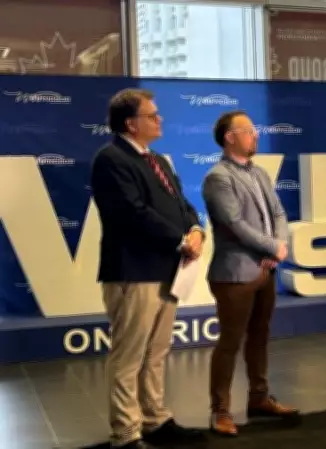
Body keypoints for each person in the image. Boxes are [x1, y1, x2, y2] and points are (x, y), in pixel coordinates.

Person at [90, 88, 206, 449]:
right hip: (133, 270)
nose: (160, 119)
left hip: (167, 269)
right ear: (130, 123)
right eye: (152, 115)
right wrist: (180, 240)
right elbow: (131, 212)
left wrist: (196, 229)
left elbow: (182, 204)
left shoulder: (158, 160)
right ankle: (126, 434)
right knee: (129, 356)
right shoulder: (111, 159)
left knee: (156, 353)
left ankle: (155, 420)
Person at [202, 110, 299, 436]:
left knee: (260, 336)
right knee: (230, 342)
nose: (255, 135)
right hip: (234, 274)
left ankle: (259, 398)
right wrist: (272, 247)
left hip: (265, 271)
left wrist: (278, 246)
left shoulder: (259, 173)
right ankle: (220, 411)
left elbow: (278, 212)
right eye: (248, 130)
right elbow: (234, 224)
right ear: (230, 138)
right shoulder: (218, 177)